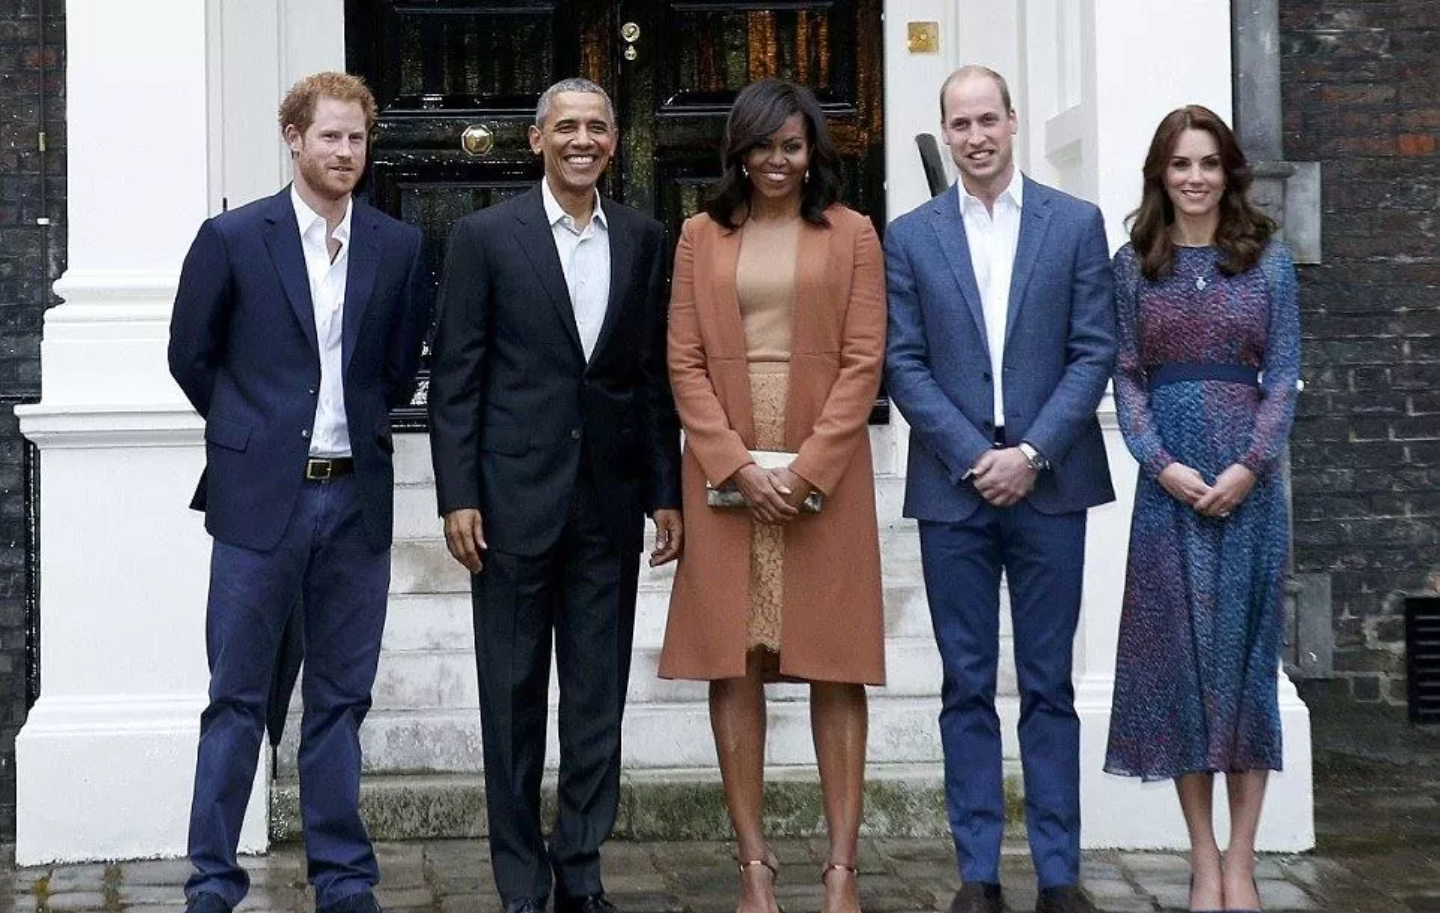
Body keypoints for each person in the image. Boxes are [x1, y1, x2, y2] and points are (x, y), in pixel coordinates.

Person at [168, 72, 430, 913]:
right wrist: (250, 433)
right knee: (237, 698)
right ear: (293, 137)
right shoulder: (236, 237)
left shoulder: (397, 245)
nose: (345, 153)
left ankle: (344, 881)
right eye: (329, 137)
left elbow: (395, 367)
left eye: (357, 139)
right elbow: (192, 354)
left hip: (356, 502)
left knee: (340, 701)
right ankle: (212, 880)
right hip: (258, 503)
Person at [427, 77, 684, 913]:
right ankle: (519, 878)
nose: (583, 139)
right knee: (510, 699)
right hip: (506, 506)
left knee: (595, 697)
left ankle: (580, 862)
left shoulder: (646, 239)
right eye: (566, 126)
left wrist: (665, 493)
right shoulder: (483, 236)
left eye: (598, 127)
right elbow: (457, 377)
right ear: (536, 140)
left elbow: (650, 379)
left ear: (615, 141)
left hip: (607, 505)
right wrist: (456, 493)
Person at [883, 66, 1117, 913]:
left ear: (1013, 123)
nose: (976, 136)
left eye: (988, 119)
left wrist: (1032, 452)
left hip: (1050, 486)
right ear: (944, 132)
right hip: (955, 490)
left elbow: (1094, 348)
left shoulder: (1075, 225)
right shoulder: (909, 236)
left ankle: (1060, 874)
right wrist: (971, 454)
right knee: (966, 683)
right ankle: (977, 872)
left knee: (1049, 683)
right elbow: (902, 361)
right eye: (960, 123)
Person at [658, 77, 886, 913]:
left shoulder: (855, 234)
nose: (776, 162)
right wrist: (735, 465)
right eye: (761, 146)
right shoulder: (698, 235)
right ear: (738, 153)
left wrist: (807, 469)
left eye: (791, 146)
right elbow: (681, 358)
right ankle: (754, 867)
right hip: (726, 461)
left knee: (836, 660)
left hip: (825, 463)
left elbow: (865, 360)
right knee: (736, 660)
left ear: (812, 150)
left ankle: (841, 870)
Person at [1104, 105, 1300, 913]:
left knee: (1245, 673)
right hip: (1169, 495)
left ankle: (1245, 860)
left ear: (1229, 172)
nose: (1194, 178)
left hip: (1250, 495)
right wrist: (1164, 466)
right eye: (1180, 164)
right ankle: (1203, 859)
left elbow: (1284, 375)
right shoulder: (1133, 263)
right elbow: (1126, 376)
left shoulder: (1269, 261)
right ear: (1161, 174)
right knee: (1183, 673)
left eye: (1208, 163)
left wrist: (1251, 466)